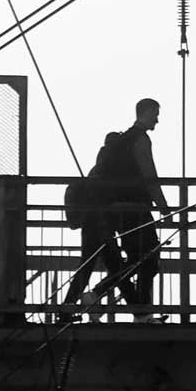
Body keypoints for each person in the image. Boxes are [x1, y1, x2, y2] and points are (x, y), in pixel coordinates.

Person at [94, 97, 172, 319]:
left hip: (116, 209)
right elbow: (150, 177)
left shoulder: (122, 141)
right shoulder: (140, 140)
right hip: (135, 209)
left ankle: (140, 312)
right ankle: (107, 295)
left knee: (140, 258)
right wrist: (165, 211)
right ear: (145, 112)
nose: (157, 119)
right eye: (155, 113)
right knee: (148, 259)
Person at [61, 133, 130, 318]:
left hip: (93, 223)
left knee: (101, 266)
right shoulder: (113, 165)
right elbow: (109, 196)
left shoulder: (99, 166)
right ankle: (140, 310)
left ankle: (68, 307)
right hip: (101, 224)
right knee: (115, 268)